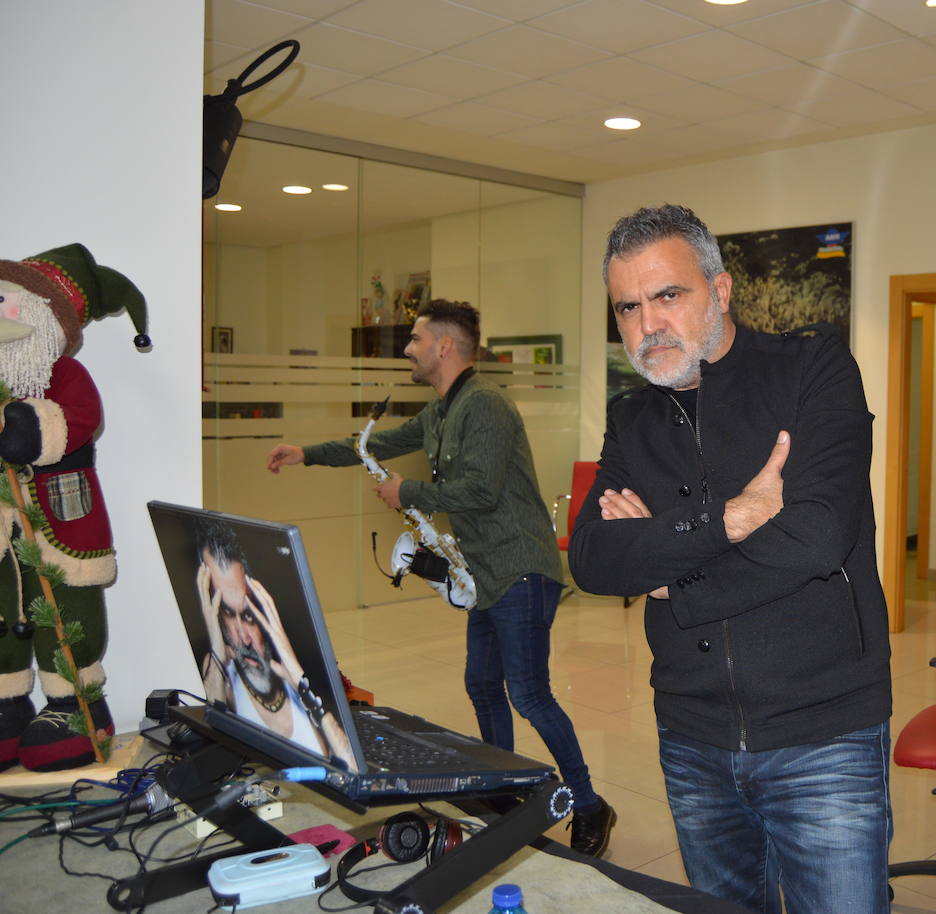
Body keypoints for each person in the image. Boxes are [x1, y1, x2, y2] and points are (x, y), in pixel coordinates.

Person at [569, 204, 893, 914]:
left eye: (668, 295)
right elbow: (593, 559)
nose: (647, 323)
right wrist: (731, 519)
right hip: (692, 737)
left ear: (719, 291)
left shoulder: (813, 369)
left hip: (824, 735)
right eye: (628, 305)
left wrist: (671, 583)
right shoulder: (632, 416)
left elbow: (816, 537)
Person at [265, 299, 615, 857]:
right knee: (482, 686)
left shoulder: (487, 407)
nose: (408, 348)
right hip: (482, 573)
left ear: (444, 346)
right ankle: (502, 795)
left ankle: (591, 804)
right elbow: (373, 446)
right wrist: (305, 453)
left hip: (520, 570)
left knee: (528, 693)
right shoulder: (442, 411)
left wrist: (409, 493)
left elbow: (482, 490)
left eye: (415, 339)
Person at [194, 520, 357, 771]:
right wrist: (216, 647)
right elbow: (214, 738)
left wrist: (300, 684)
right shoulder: (221, 669)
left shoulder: (303, 684)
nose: (243, 638)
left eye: (248, 616)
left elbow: (354, 772)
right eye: (226, 613)